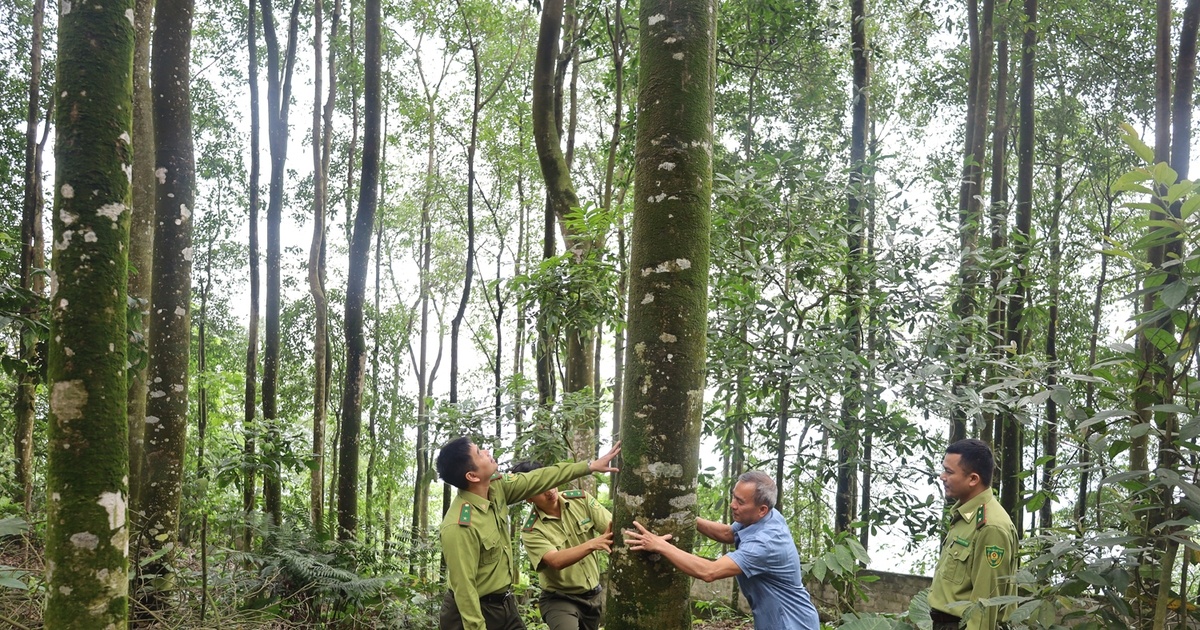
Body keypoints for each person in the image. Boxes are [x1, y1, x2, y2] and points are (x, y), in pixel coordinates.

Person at [436, 438, 620, 630]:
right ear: (473, 476)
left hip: (504, 604)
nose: (487, 451)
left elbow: (540, 478)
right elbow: (464, 590)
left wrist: (589, 466)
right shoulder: (459, 525)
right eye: (479, 453)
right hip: (469, 613)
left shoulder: (497, 488)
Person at [623, 470, 820, 630]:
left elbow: (710, 572)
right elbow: (728, 534)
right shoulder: (765, 517)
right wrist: (688, 518)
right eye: (734, 497)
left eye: (741, 502)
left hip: (793, 624)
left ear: (762, 509)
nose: (733, 505)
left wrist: (660, 545)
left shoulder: (766, 543)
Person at [510, 460, 613, 630]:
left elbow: (612, 529)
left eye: (549, 482)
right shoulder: (531, 529)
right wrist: (592, 544)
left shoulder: (581, 500)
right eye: (538, 488)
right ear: (528, 498)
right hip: (560, 599)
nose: (548, 490)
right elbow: (555, 561)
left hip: (593, 597)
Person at [928, 438, 1018, 630]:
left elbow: (985, 606)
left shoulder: (990, 527)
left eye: (949, 472)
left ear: (973, 479)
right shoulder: (965, 517)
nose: (942, 477)